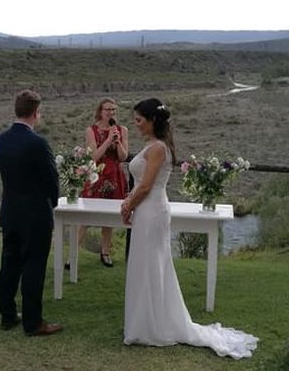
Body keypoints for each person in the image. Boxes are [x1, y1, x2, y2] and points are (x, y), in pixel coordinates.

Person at [120, 98, 258, 358]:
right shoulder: (153, 145)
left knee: (152, 265)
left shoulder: (158, 148)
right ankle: (144, 321)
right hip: (147, 210)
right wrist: (132, 205)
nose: (136, 124)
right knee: (146, 264)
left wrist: (128, 204)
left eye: (139, 120)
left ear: (152, 121)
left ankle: (152, 326)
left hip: (152, 210)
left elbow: (147, 185)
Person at [0, 89, 63, 337]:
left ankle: (7, 315)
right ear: (36, 112)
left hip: (10, 210)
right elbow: (51, 178)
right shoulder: (37, 143)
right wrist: (52, 203)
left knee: (9, 263)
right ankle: (33, 323)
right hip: (35, 213)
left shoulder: (0, 140)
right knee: (34, 267)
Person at [80, 97, 128, 267]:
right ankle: (74, 253)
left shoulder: (122, 130)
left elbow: (123, 157)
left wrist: (117, 142)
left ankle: (105, 252)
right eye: (107, 109)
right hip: (97, 175)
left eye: (114, 110)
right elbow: (92, 157)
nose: (111, 113)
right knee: (86, 216)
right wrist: (107, 141)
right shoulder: (91, 130)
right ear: (100, 111)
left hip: (115, 176)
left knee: (109, 216)